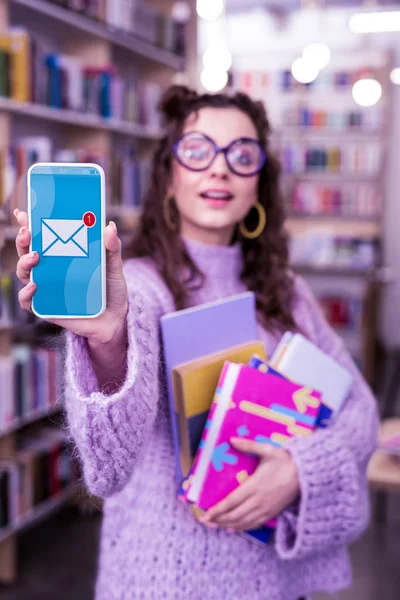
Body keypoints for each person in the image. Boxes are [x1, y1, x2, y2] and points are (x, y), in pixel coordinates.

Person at [14, 85, 379, 600]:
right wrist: (108, 341)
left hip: (277, 583)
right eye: (198, 150)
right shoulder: (138, 289)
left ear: (260, 185)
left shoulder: (288, 294)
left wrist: (301, 469)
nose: (220, 168)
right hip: (162, 582)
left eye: (243, 155)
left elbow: (359, 410)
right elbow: (106, 470)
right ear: (168, 176)